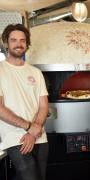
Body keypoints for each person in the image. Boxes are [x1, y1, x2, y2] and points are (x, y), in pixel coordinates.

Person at [0, 24, 48, 180]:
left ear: (27, 44)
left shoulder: (36, 72)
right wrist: (29, 128)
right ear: (6, 43)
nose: (18, 44)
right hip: (15, 137)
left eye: (22, 40)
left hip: (39, 135)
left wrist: (34, 131)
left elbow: (43, 106)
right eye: (13, 40)